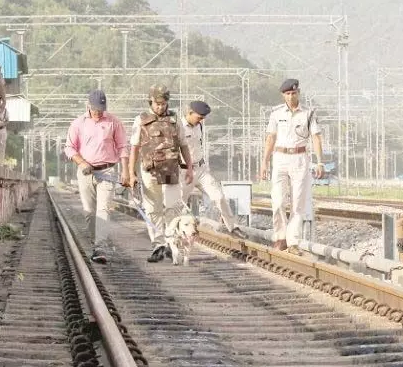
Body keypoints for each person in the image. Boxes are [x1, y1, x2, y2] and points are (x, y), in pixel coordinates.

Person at [128, 85, 195, 263]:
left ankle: (171, 244)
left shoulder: (175, 119)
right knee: (153, 210)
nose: (160, 107)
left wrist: (189, 168)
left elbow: (183, 145)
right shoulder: (140, 120)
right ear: (150, 102)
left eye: (163, 103)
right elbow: (134, 148)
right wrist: (131, 173)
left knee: (173, 208)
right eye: (157, 104)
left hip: (171, 169)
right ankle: (158, 245)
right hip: (149, 170)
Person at [259, 78, 325, 253]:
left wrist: (320, 162)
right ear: (283, 95)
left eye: (293, 93)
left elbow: (316, 138)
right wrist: (264, 163)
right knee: (278, 201)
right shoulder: (276, 114)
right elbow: (270, 138)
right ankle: (280, 237)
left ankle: (293, 241)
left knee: (298, 203)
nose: (290, 96)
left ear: (298, 93)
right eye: (287, 94)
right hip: (280, 157)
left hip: (300, 158)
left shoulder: (308, 114)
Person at [64, 89, 129, 263]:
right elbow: (69, 147)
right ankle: (96, 242)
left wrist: (125, 171)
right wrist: (81, 162)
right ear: (88, 105)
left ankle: (100, 246)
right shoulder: (78, 124)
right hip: (86, 172)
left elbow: (123, 146)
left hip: (107, 171)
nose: (98, 112)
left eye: (101, 108)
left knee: (103, 209)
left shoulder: (113, 122)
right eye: (95, 108)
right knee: (90, 212)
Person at [180, 100, 247, 238]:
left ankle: (233, 227)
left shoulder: (199, 126)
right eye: (199, 117)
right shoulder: (178, 127)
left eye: (203, 118)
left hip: (201, 169)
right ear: (190, 113)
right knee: (179, 204)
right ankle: (176, 236)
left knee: (219, 196)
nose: (202, 121)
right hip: (184, 171)